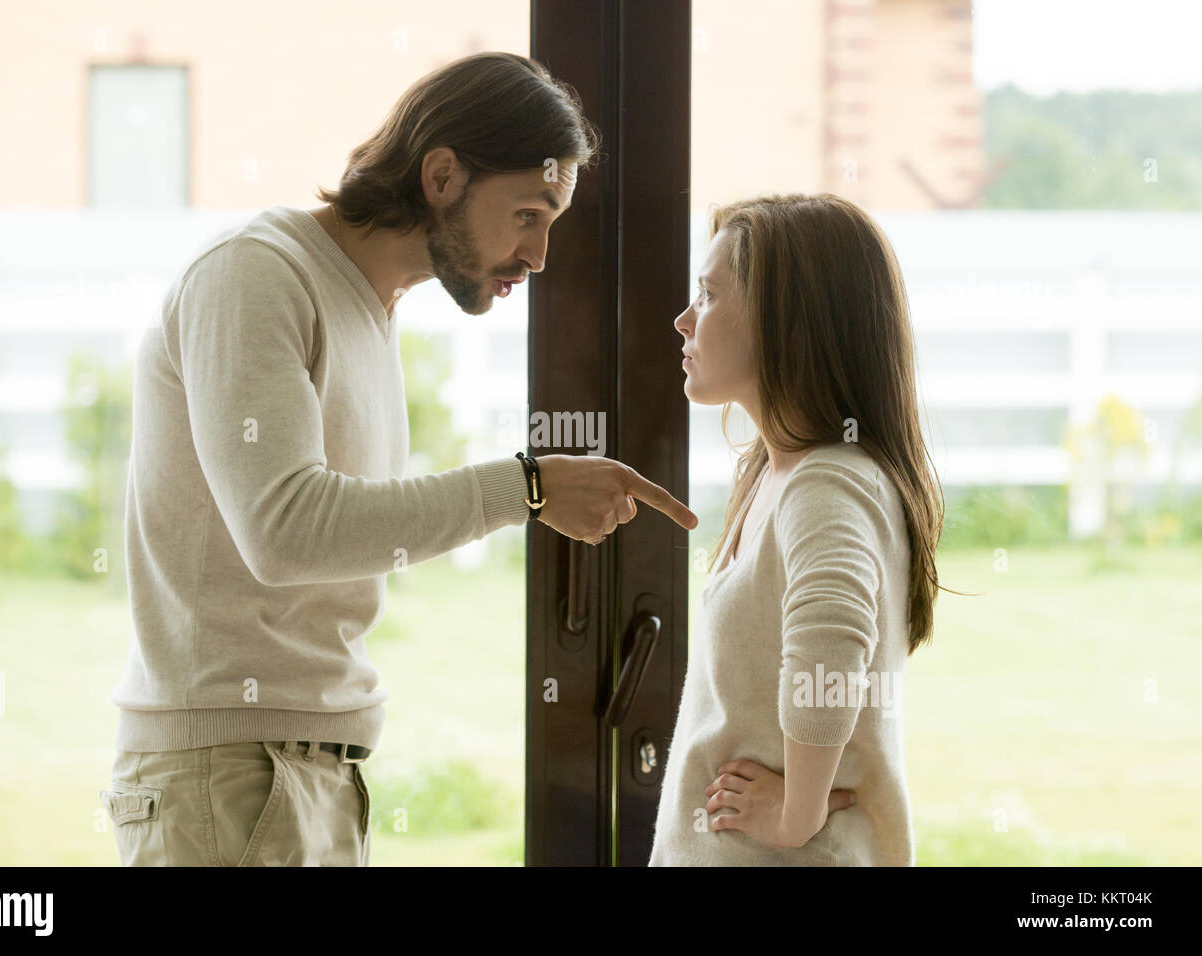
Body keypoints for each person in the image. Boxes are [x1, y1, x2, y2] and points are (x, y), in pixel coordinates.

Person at [100, 51, 697, 866]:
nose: (541, 256)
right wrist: (525, 487)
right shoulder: (255, 275)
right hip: (227, 777)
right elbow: (284, 532)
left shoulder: (369, 311)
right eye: (528, 213)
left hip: (308, 773)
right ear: (443, 174)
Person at [650, 193, 947, 866]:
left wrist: (796, 813)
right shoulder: (776, 472)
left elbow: (830, 643)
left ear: (788, 326)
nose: (684, 319)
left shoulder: (826, 484)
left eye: (710, 295)